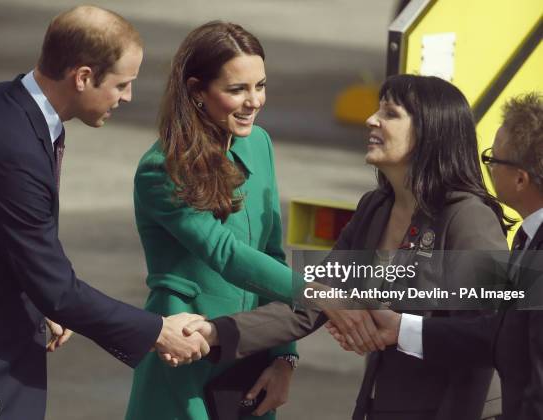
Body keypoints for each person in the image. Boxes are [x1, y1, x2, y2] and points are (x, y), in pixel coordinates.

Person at [0, 6, 208, 420]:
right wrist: (158, 331)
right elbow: (57, 288)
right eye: (122, 84)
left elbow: (11, 242)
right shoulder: (14, 149)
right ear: (82, 77)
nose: (128, 96)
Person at [187, 75, 512, 419]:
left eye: (390, 113)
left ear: (430, 132)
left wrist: (400, 331)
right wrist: (214, 332)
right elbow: (313, 299)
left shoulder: (468, 217)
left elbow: (492, 336)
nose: (372, 119)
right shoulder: (375, 208)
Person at [125, 21, 299, 420]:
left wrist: (284, 357)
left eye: (260, 85)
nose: (253, 101)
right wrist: (320, 295)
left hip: (251, 350)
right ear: (196, 91)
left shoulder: (260, 143)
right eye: (236, 89)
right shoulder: (161, 169)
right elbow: (226, 254)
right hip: (186, 350)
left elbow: (271, 254)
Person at [331, 92, 543, 419]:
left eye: (493, 160)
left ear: (520, 178)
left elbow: (495, 359)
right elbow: (492, 333)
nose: (486, 167)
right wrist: (399, 328)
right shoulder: (530, 238)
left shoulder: (470, 219)